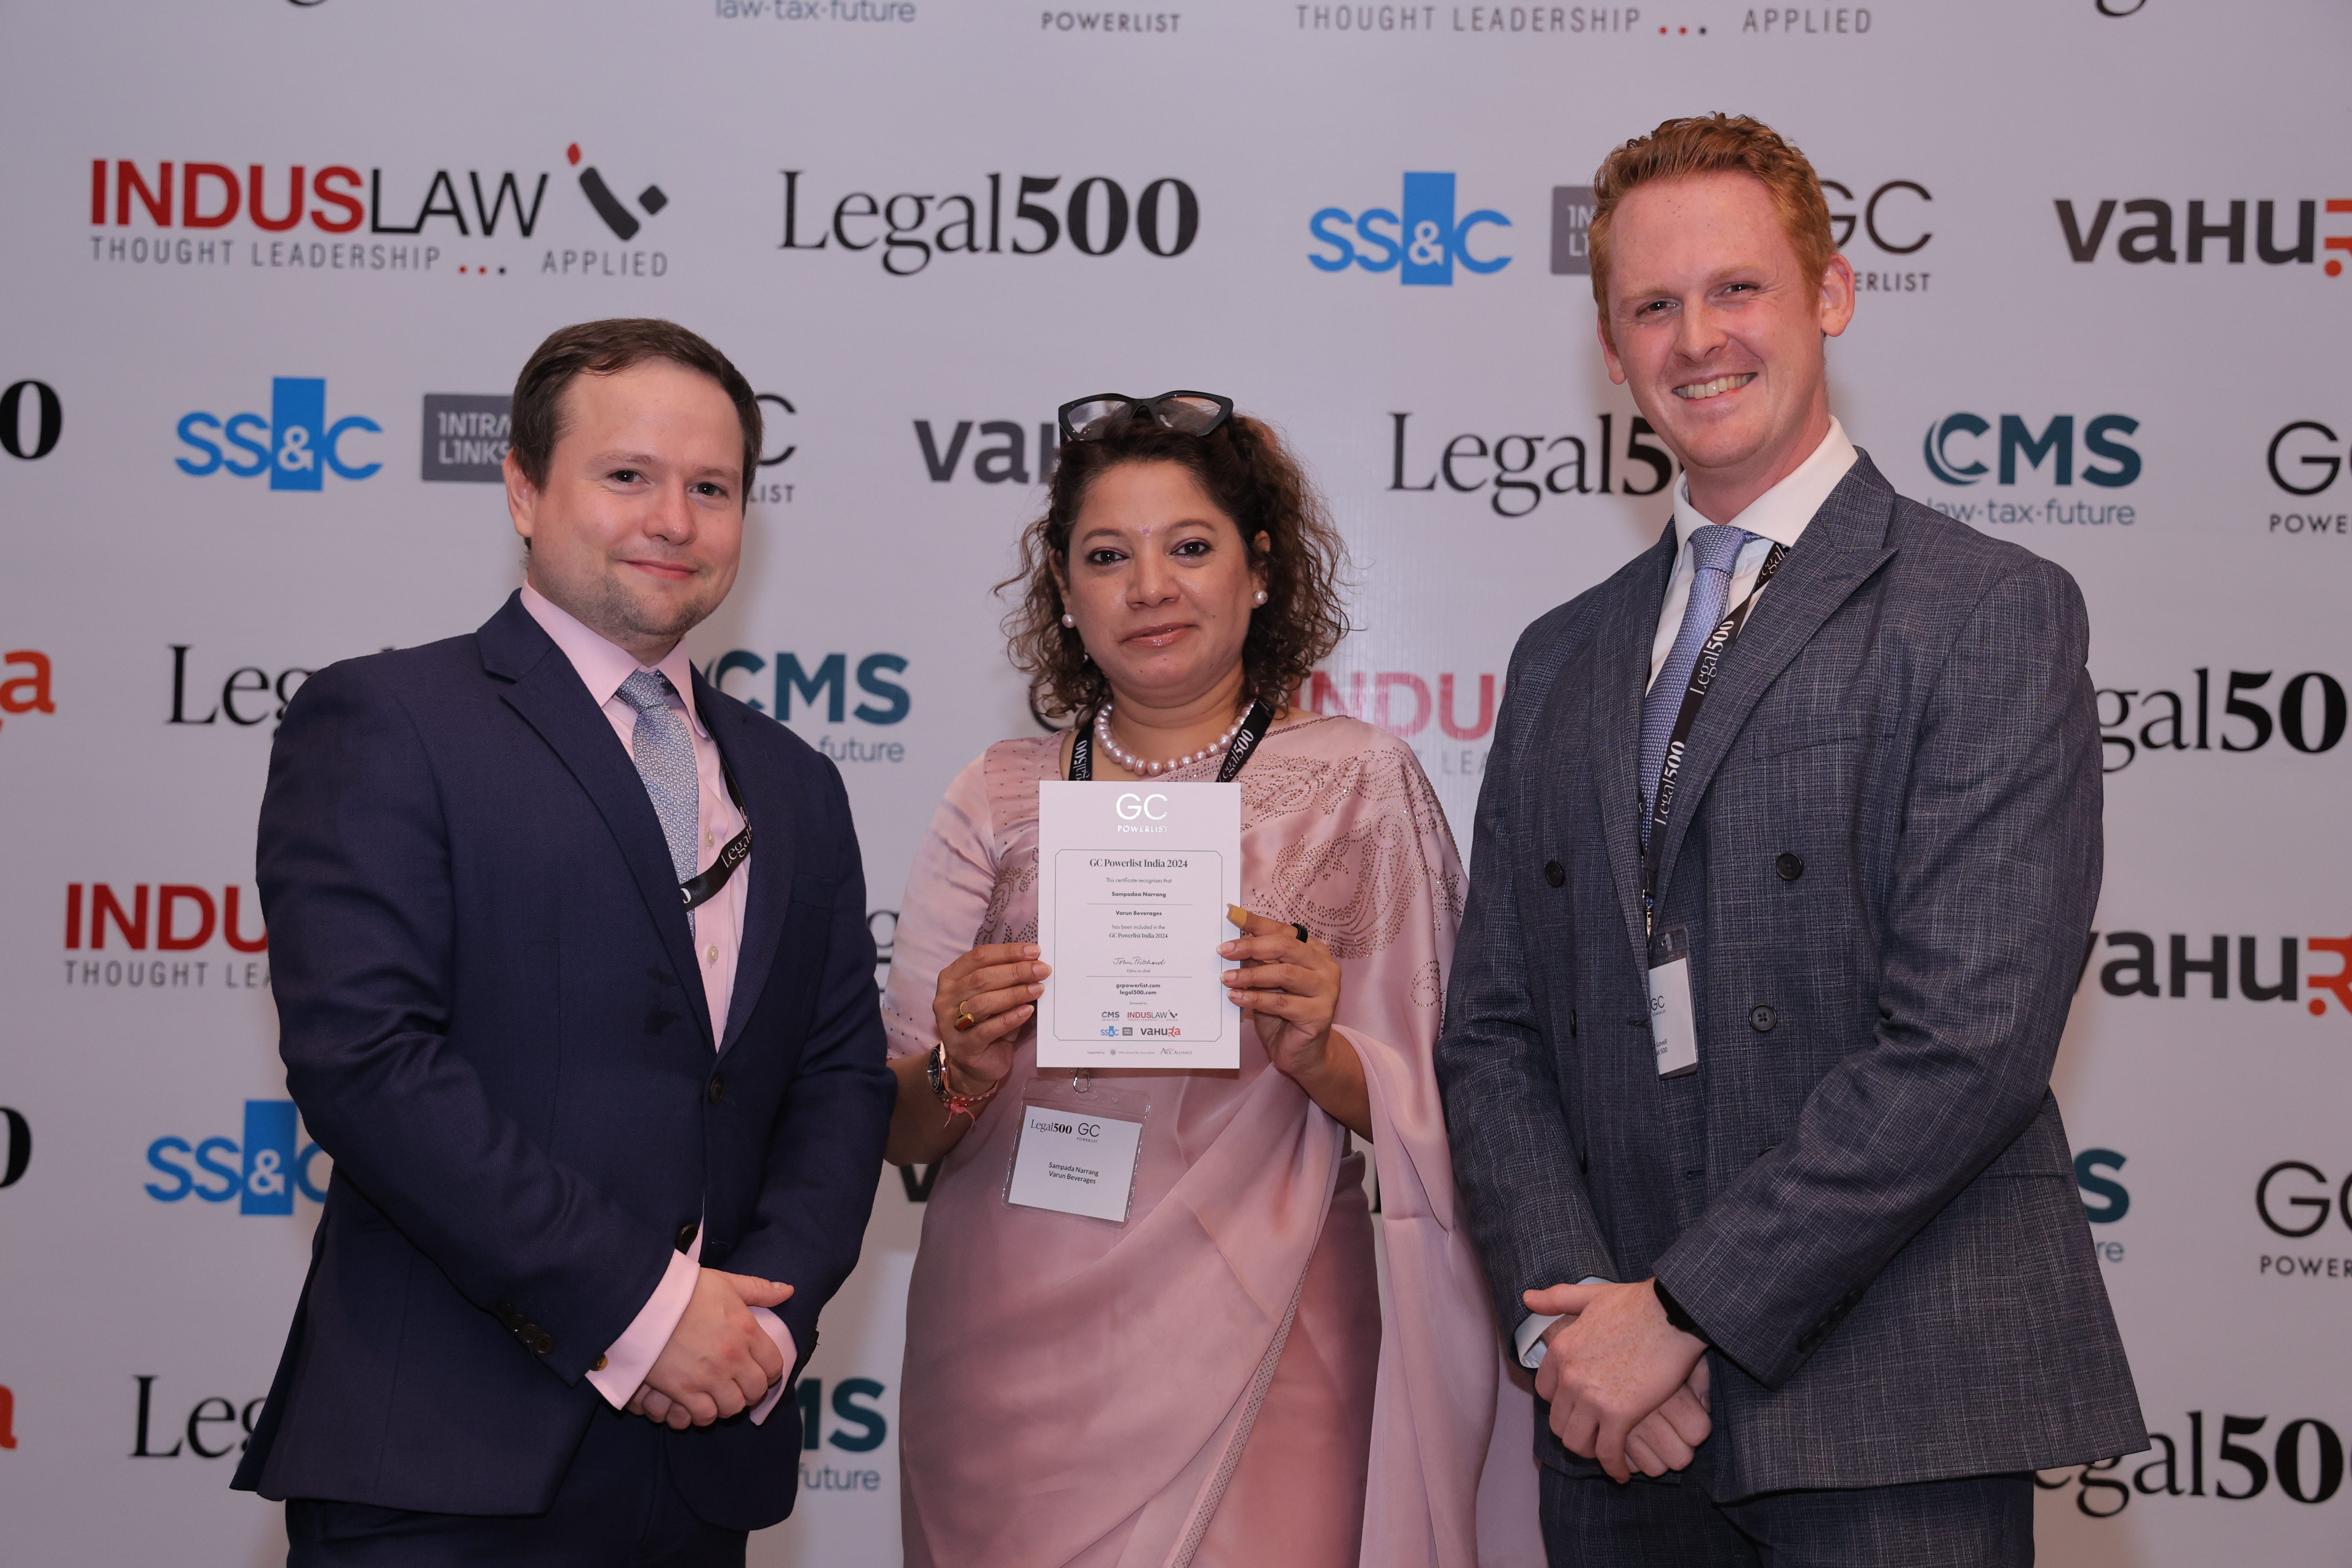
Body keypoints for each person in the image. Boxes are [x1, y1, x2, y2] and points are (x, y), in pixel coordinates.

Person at [1434, 115, 2145, 1564]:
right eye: (1653, 305)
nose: (1698, 339)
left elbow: (1970, 1040)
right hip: (1621, 1434)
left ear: (1831, 293)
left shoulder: (1988, 610)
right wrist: (1577, 1323)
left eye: (1738, 288)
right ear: (1610, 346)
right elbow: (1492, 1034)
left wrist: (1684, 1313)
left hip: (1892, 1413)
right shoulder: (1560, 657)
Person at [231, 318, 895, 1565]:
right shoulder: (388, 720)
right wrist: (647, 1315)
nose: (675, 521)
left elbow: (840, 1081)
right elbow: (368, 1061)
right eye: (628, 476)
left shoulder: (798, 781)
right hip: (444, 1464)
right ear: (525, 490)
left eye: (713, 488)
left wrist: (760, 1329)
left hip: (702, 1463)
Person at [881, 393, 1543, 1568]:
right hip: (1005, 1351)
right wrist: (961, 1065)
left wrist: (1320, 1054)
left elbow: (1467, 1106)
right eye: (1107, 557)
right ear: (1064, 592)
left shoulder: (1358, 786)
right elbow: (897, 1123)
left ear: (1261, 572)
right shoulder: (996, 793)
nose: (1151, 587)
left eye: (1190, 547)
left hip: (1272, 1322)